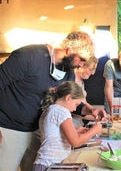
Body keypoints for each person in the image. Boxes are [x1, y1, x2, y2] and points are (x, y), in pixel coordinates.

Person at [0, 31, 106, 171]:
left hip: (38, 131)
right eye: (81, 59)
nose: (81, 65)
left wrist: (90, 110)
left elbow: (67, 101)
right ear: (69, 50)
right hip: (9, 128)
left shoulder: (68, 71)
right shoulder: (28, 56)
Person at [33, 81, 102, 171]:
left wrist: (75, 131)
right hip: (48, 165)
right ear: (68, 98)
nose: (76, 108)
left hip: (45, 164)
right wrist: (94, 130)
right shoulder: (62, 111)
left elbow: (53, 135)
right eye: (76, 104)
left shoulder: (51, 109)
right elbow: (75, 142)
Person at [74, 56, 107, 127]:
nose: (93, 73)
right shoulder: (72, 80)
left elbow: (84, 103)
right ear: (81, 65)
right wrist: (98, 117)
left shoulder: (80, 81)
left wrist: (95, 112)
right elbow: (75, 110)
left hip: (79, 123)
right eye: (90, 69)